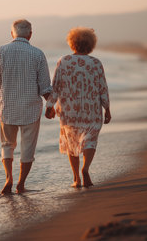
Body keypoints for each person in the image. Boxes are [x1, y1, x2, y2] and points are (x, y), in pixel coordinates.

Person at [0, 19, 52, 194]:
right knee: (28, 147)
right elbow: (45, 86)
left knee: (7, 144)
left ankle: (9, 177)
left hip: (7, 107)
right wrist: (51, 105)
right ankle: (21, 184)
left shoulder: (1, 51)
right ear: (30, 34)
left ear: (11, 34)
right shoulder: (38, 54)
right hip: (31, 107)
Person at [45, 27, 111, 188]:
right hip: (92, 110)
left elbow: (56, 86)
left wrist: (49, 105)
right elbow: (103, 87)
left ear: (72, 43)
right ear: (91, 45)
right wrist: (107, 108)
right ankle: (86, 168)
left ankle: (76, 179)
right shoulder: (96, 63)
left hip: (69, 110)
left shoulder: (64, 61)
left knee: (72, 143)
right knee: (90, 140)